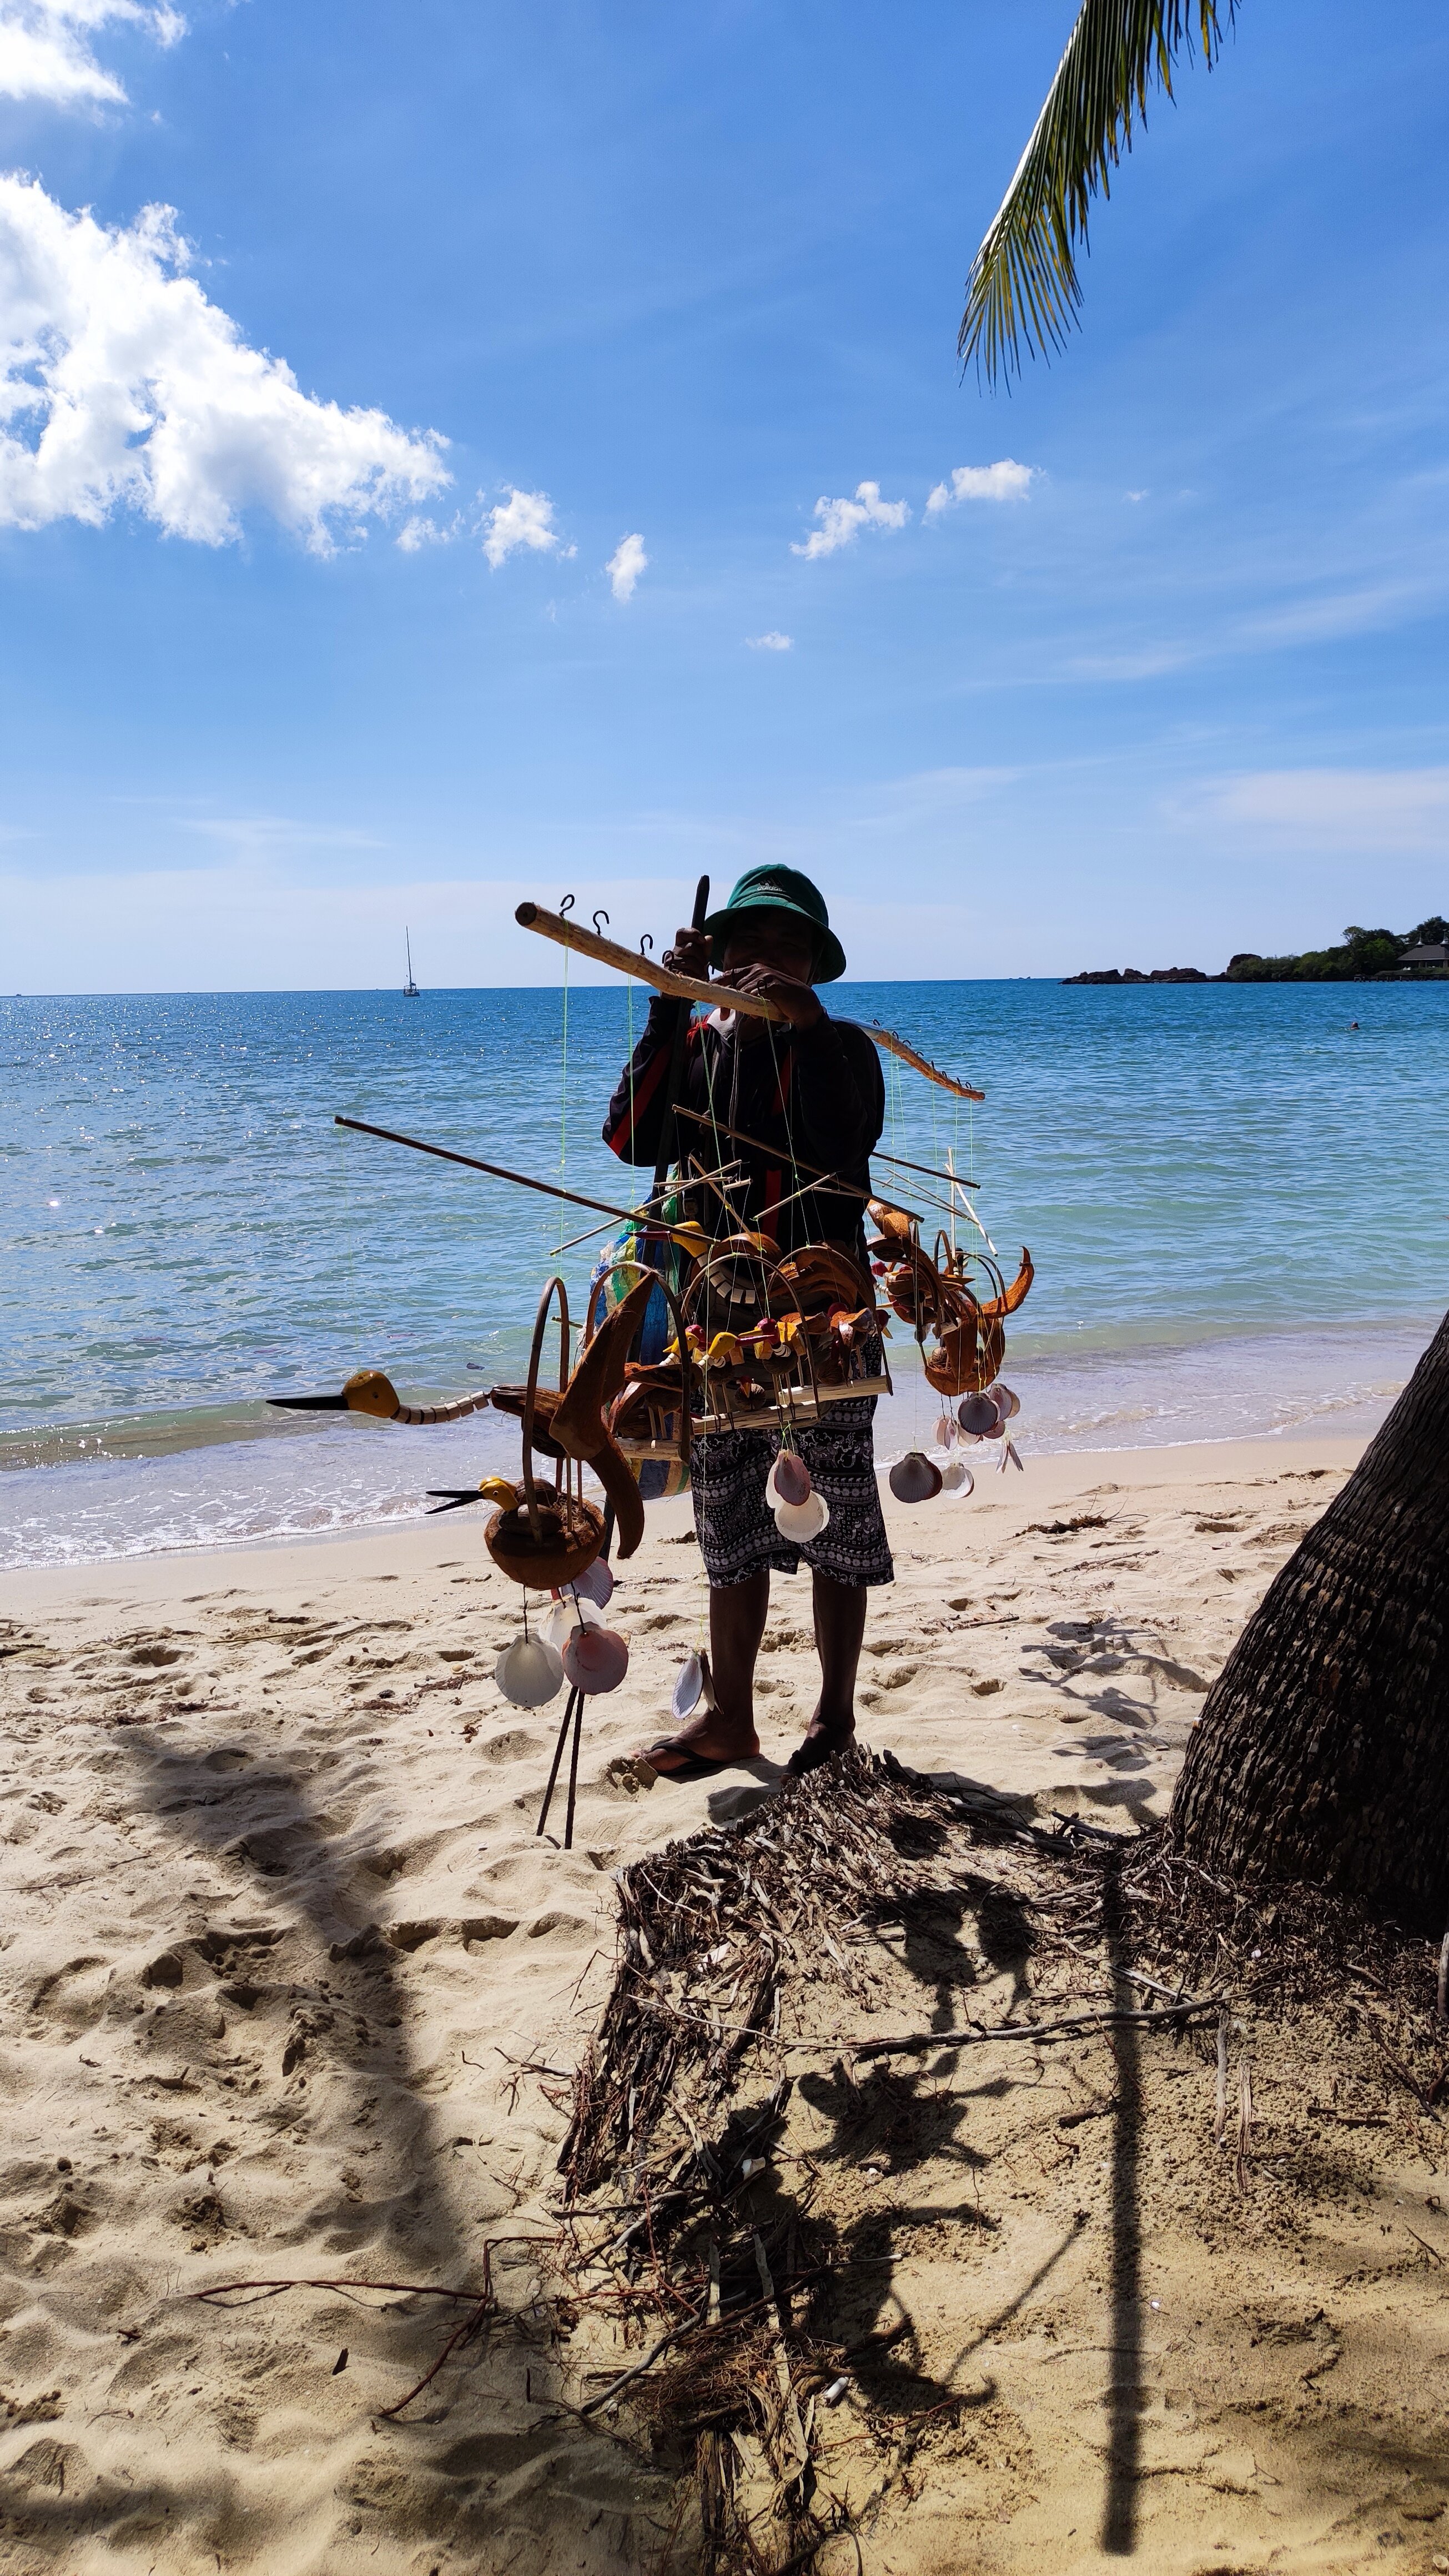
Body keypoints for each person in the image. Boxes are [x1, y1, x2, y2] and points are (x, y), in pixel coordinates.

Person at [601, 864, 894, 1778]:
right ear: (718, 957)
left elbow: (847, 1147)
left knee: (835, 1515)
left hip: (823, 1308)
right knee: (727, 1518)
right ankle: (730, 1719)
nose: (768, 961)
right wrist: (661, 1005)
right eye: (750, 944)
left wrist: (805, 1029)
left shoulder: (842, 1045)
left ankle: (833, 1722)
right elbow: (632, 1143)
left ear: (814, 966)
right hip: (714, 1314)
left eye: (790, 947)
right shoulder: (690, 1042)